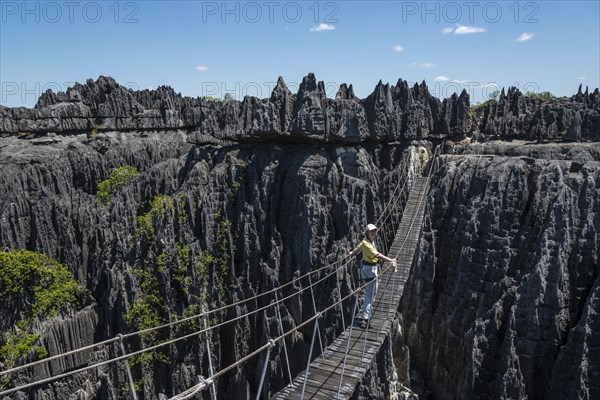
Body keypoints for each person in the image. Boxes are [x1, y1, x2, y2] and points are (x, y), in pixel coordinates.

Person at [348, 224, 397, 324]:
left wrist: (352, 253)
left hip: (369, 270)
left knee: (371, 293)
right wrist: (391, 260)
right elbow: (377, 255)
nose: (374, 233)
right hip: (369, 271)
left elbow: (358, 247)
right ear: (367, 232)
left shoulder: (367, 241)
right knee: (370, 294)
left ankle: (366, 314)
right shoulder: (367, 244)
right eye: (371, 231)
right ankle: (366, 317)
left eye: (375, 231)